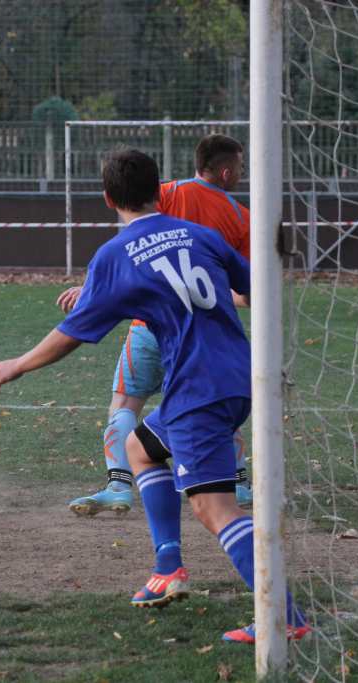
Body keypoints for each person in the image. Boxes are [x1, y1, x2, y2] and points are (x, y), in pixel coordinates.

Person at [0, 148, 309, 643]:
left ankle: (286, 618)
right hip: (237, 375)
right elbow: (256, 288)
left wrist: (19, 363)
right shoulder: (201, 235)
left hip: (199, 389)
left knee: (213, 508)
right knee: (140, 447)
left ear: (107, 198)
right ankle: (169, 568)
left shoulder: (116, 255)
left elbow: (74, 331)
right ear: (160, 190)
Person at [57, 134, 252, 516]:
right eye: (241, 167)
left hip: (151, 325)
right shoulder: (242, 216)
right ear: (227, 171)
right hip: (210, 333)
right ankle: (238, 484)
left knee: (126, 402)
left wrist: (97, 286)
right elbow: (246, 293)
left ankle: (118, 485)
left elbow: (135, 236)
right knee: (215, 402)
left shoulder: (166, 192)